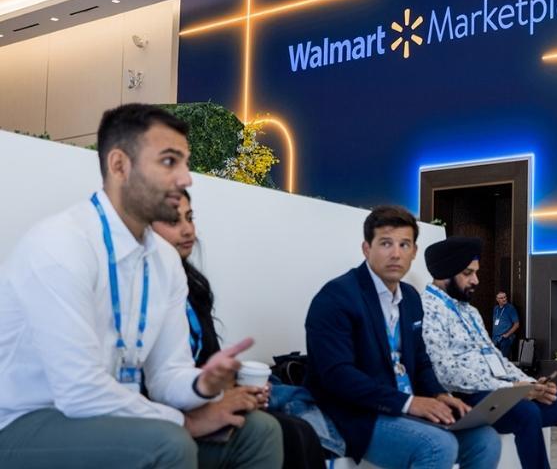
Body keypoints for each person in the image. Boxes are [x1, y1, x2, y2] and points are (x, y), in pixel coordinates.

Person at [0, 103, 282, 468]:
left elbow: (166, 374)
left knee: (259, 431)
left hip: (115, 421)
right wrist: (187, 420)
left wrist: (203, 385)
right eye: (169, 162)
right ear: (119, 165)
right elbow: (79, 393)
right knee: (168, 443)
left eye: (184, 162)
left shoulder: (163, 261)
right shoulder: (60, 245)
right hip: (27, 423)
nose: (186, 178)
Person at [304, 205, 500, 469]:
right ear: (366, 248)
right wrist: (408, 403)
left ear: (414, 252)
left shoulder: (409, 297)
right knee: (438, 446)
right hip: (356, 413)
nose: (396, 254)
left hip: (405, 407)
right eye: (386, 243)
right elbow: (337, 376)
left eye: (404, 245)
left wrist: (440, 395)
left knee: (485, 439)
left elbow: (420, 361)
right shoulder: (336, 297)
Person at [152, 190, 326, 469]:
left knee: (301, 429)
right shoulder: (139, 290)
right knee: (287, 433)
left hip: (202, 399)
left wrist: (238, 388)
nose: (187, 230)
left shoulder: (193, 288)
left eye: (190, 218)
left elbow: (209, 362)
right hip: (170, 413)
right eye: (173, 222)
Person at [420, 237, 557, 469]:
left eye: (476, 273)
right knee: (526, 412)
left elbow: (496, 358)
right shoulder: (426, 309)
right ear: (444, 274)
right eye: (468, 273)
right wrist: (512, 391)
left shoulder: (469, 311)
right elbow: (445, 373)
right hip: (468, 400)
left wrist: (529, 384)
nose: (476, 280)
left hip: (504, 395)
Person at [492, 290, 521, 360]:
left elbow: (516, 324)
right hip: (495, 339)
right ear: (497, 299)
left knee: (503, 359)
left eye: (505, 297)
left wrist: (507, 335)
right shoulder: (496, 308)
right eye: (501, 298)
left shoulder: (510, 308)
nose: (504, 299)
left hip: (505, 339)